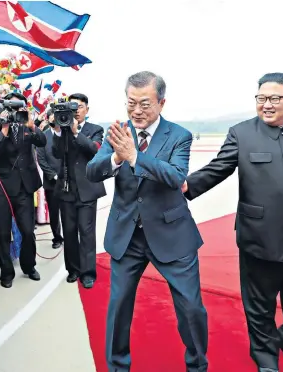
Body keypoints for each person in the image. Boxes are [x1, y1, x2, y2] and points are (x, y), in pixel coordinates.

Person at [182, 73, 283, 372]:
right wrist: (185, 186)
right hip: (261, 236)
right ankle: (265, 355)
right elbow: (218, 169)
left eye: (274, 99)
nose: (266, 105)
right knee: (260, 303)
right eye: (261, 99)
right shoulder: (241, 133)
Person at [87, 71, 208, 372]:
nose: (137, 111)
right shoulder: (115, 132)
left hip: (171, 233)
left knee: (191, 308)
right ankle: (117, 366)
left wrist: (134, 157)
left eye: (145, 104)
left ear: (161, 103)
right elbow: (92, 172)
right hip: (127, 235)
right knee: (118, 308)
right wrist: (115, 158)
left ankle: (197, 365)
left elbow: (176, 177)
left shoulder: (179, 136)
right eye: (131, 103)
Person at [0, 92, 47, 288]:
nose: (14, 113)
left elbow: (42, 142)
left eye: (17, 109)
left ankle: (29, 266)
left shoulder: (26, 124)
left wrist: (31, 125)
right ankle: (6, 273)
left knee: (28, 231)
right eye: (10, 109)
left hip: (24, 186)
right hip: (2, 187)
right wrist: (4, 128)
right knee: (3, 233)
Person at [52, 93, 106, 288]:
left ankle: (88, 272)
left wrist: (75, 132)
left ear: (87, 109)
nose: (76, 111)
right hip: (66, 188)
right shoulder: (62, 127)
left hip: (87, 189)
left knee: (87, 232)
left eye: (80, 107)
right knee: (69, 231)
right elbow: (56, 153)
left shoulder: (95, 129)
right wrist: (59, 130)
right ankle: (73, 270)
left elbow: (94, 150)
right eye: (73, 107)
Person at [36, 111, 64, 249]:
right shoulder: (43, 137)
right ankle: (57, 237)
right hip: (51, 182)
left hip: (68, 180)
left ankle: (71, 236)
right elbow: (41, 159)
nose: (55, 119)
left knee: (69, 211)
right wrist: (54, 175)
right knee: (54, 212)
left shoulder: (68, 134)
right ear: (48, 119)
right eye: (52, 116)